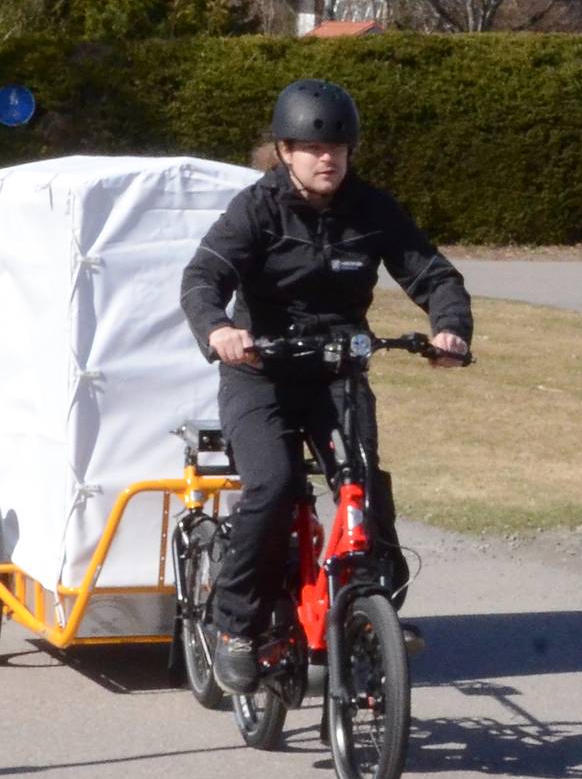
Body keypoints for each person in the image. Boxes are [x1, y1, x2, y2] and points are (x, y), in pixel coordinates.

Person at [180, 78, 472, 695]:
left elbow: (433, 273)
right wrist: (219, 329)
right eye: (312, 148)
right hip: (260, 373)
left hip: (337, 370)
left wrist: (448, 331)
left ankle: (375, 611)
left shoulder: (372, 209)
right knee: (276, 484)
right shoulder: (257, 208)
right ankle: (236, 624)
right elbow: (204, 276)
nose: (327, 158)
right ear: (285, 151)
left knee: (363, 485)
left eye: (338, 147)